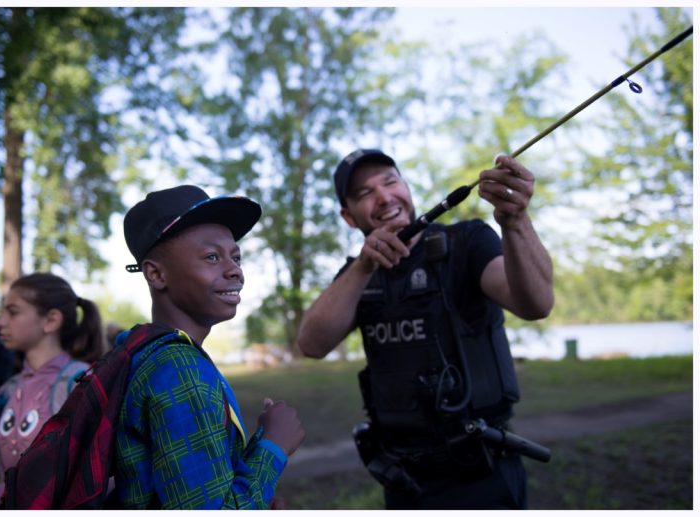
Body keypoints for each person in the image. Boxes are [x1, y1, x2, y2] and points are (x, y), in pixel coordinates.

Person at [297, 149, 554, 509]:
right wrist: (362, 268)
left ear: (406, 186)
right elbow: (311, 343)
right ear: (348, 216)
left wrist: (516, 222)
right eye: (364, 193)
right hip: (406, 482)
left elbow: (536, 303)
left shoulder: (468, 242)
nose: (384, 196)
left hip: (484, 472)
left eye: (390, 181)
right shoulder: (358, 276)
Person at [116, 184, 305, 509]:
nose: (235, 270)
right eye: (212, 257)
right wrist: (274, 446)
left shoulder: (146, 353)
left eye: (235, 256)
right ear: (156, 273)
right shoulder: (178, 370)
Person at [0, 273, 105, 509]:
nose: (0, 322)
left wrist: (13, 492)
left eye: (13, 312)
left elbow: (100, 472)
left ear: (51, 320)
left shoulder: (82, 381)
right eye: (2, 312)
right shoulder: (10, 389)